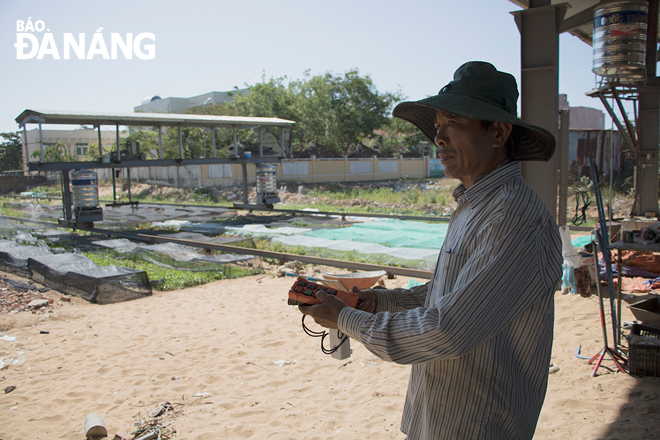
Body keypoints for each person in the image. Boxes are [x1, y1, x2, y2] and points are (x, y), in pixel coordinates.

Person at [299, 61, 563, 440]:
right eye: (437, 127)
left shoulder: (512, 216)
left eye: (453, 123)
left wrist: (346, 319)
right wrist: (383, 302)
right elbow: (453, 292)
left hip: (475, 425)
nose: (438, 138)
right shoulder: (476, 205)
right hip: (441, 415)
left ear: (499, 132)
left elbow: (448, 330)